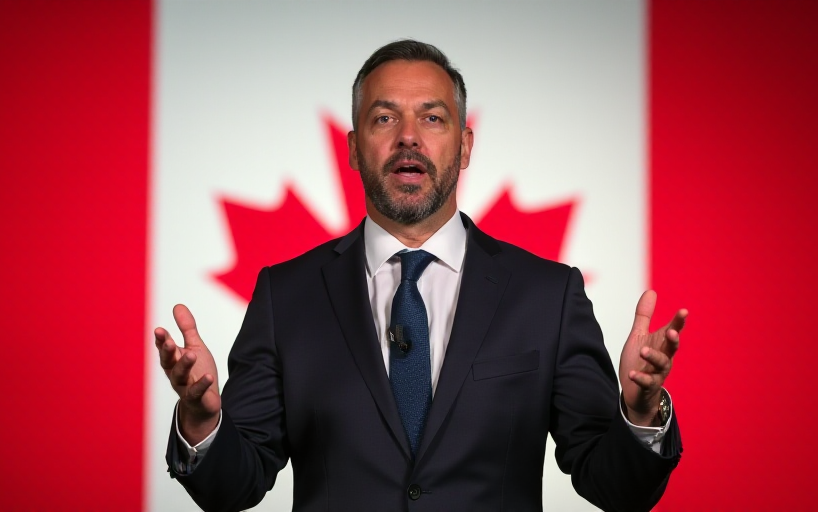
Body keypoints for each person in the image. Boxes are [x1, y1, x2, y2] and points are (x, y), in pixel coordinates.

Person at [155, 39, 686, 512]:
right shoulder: (285, 295)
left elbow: (618, 490)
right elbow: (233, 488)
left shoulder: (546, 295)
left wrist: (641, 414)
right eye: (384, 118)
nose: (408, 136)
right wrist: (202, 423)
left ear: (466, 144)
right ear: (353, 148)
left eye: (432, 118)